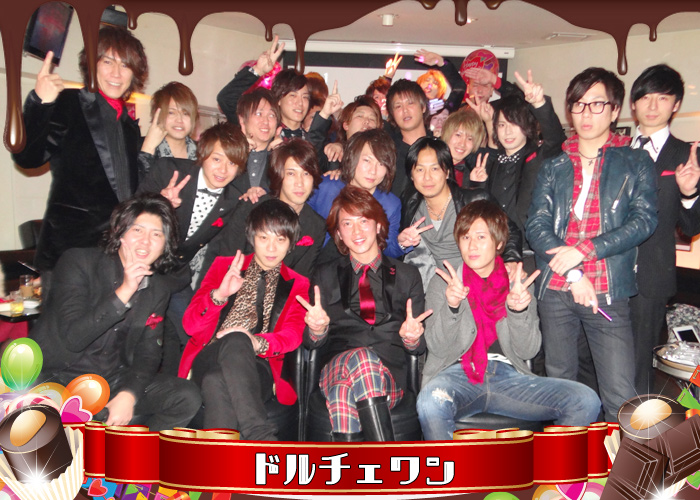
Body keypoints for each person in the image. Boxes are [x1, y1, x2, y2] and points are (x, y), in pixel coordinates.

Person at [526, 67, 658, 421]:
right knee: (561, 390)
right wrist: (574, 272)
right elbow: (536, 226)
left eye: (597, 104)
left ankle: (626, 458)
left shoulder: (635, 161)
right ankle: (567, 457)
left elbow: (644, 221)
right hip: (557, 288)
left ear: (614, 111)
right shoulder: (553, 166)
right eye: (578, 104)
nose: (586, 113)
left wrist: (583, 250)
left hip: (607, 291)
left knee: (620, 394)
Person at [417, 201, 601, 440]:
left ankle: (551, 465)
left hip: (509, 377)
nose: (472, 245)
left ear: (499, 243)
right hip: (456, 375)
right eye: (465, 237)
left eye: (481, 237)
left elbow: (528, 350)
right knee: (430, 402)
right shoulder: (443, 282)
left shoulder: (518, 284)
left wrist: (517, 311)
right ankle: (452, 466)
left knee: (585, 399)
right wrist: (452, 306)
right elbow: (437, 347)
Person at [31, 194, 201, 431]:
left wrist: (129, 394)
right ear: (120, 232)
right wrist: (125, 291)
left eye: (156, 234)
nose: (145, 242)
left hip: (111, 378)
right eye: (137, 230)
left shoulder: (158, 289)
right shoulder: (78, 262)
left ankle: (138, 449)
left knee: (186, 396)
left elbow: (149, 353)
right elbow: (74, 338)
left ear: (165, 245)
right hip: (58, 375)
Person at [12, 26, 149, 281]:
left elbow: (126, 191)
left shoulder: (129, 127)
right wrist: (39, 103)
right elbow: (27, 158)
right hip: (70, 253)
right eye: (107, 61)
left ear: (134, 73)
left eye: (125, 65)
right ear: (91, 65)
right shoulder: (69, 103)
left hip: (117, 255)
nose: (116, 73)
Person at [299, 186, 431, 441]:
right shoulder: (325, 274)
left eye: (363, 221)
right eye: (347, 224)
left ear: (379, 225)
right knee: (362, 359)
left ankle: (352, 467)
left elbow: (418, 347)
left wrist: (412, 338)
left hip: (389, 374)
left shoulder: (407, 275)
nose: (356, 231)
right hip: (336, 366)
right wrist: (317, 330)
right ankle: (384, 461)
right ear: (339, 233)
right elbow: (311, 342)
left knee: (342, 393)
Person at [179, 200, 309, 440]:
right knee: (234, 341)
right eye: (264, 238)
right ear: (252, 237)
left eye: (280, 239)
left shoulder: (298, 284)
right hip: (210, 354)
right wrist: (218, 296)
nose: (271, 248)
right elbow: (190, 325)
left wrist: (257, 342)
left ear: (290, 243)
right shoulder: (223, 267)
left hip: (258, 366)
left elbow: (292, 335)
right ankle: (260, 435)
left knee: (216, 381)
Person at [136, 122, 248, 373]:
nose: (223, 170)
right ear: (203, 154)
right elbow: (128, 215)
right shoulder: (169, 171)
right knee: (139, 335)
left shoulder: (233, 199)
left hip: (175, 275)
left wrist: (208, 293)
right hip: (138, 267)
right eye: (217, 159)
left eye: (232, 163)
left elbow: (217, 249)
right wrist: (159, 203)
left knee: (193, 334)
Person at [628, 64, 700, 393]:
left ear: (676, 105)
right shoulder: (614, 149)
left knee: (639, 361)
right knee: (595, 355)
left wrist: (689, 193)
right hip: (604, 272)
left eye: (663, 98)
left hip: (651, 274)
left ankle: (634, 420)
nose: (653, 106)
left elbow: (691, 226)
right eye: (645, 97)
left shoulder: (686, 154)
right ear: (633, 104)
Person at [399, 137, 523, 287]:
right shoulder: (410, 202)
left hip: (477, 279)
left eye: (435, 168)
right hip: (436, 285)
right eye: (420, 169)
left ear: (447, 172)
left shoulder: (474, 199)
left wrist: (512, 259)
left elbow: (510, 231)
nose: (427, 177)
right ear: (411, 176)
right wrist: (402, 243)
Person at [202, 139, 326, 279]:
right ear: (279, 175)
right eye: (291, 173)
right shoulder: (251, 207)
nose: (300, 183)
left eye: (306, 174)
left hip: (280, 290)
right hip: (236, 283)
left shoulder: (316, 225)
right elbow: (226, 258)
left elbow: (301, 278)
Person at [307, 128, 404, 259]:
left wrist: (402, 243)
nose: (373, 171)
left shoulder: (390, 204)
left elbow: (388, 249)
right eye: (367, 160)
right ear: (353, 157)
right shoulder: (325, 187)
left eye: (381, 164)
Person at [139, 81, 199, 174]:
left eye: (185, 113)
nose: (179, 120)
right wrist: (147, 151)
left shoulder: (203, 152)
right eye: (171, 112)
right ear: (157, 114)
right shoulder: (140, 148)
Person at [385, 79, 430, 197]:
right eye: (398, 106)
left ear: (423, 107)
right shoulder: (387, 151)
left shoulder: (439, 146)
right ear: (392, 114)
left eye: (410, 103)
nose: (405, 110)